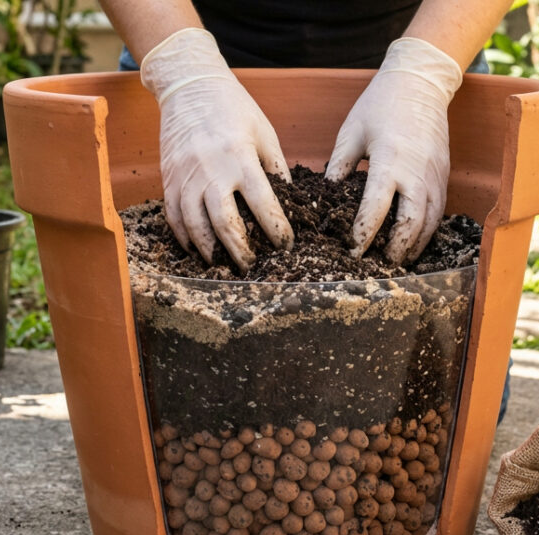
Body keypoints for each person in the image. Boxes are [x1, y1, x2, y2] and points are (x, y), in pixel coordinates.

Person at [101, 0, 514, 422]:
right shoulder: (181, 66)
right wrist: (181, 71)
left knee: (456, 406)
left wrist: (426, 73)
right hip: (177, 35)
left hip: (430, 35)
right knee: (166, 408)